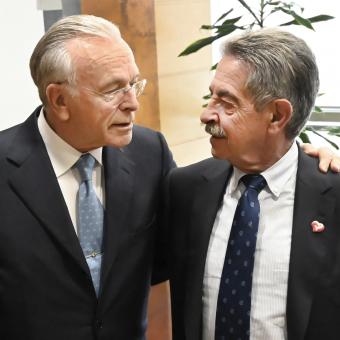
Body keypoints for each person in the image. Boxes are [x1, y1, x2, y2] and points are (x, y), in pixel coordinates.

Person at [0, 15, 175, 340]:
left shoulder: (151, 153)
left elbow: (166, 268)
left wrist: (296, 175)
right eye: (112, 91)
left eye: (133, 84)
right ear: (59, 100)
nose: (133, 104)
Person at [167, 28, 340, 340]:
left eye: (227, 103)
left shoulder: (334, 196)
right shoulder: (185, 188)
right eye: (212, 96)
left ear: (277, 116)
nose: (207, 114)